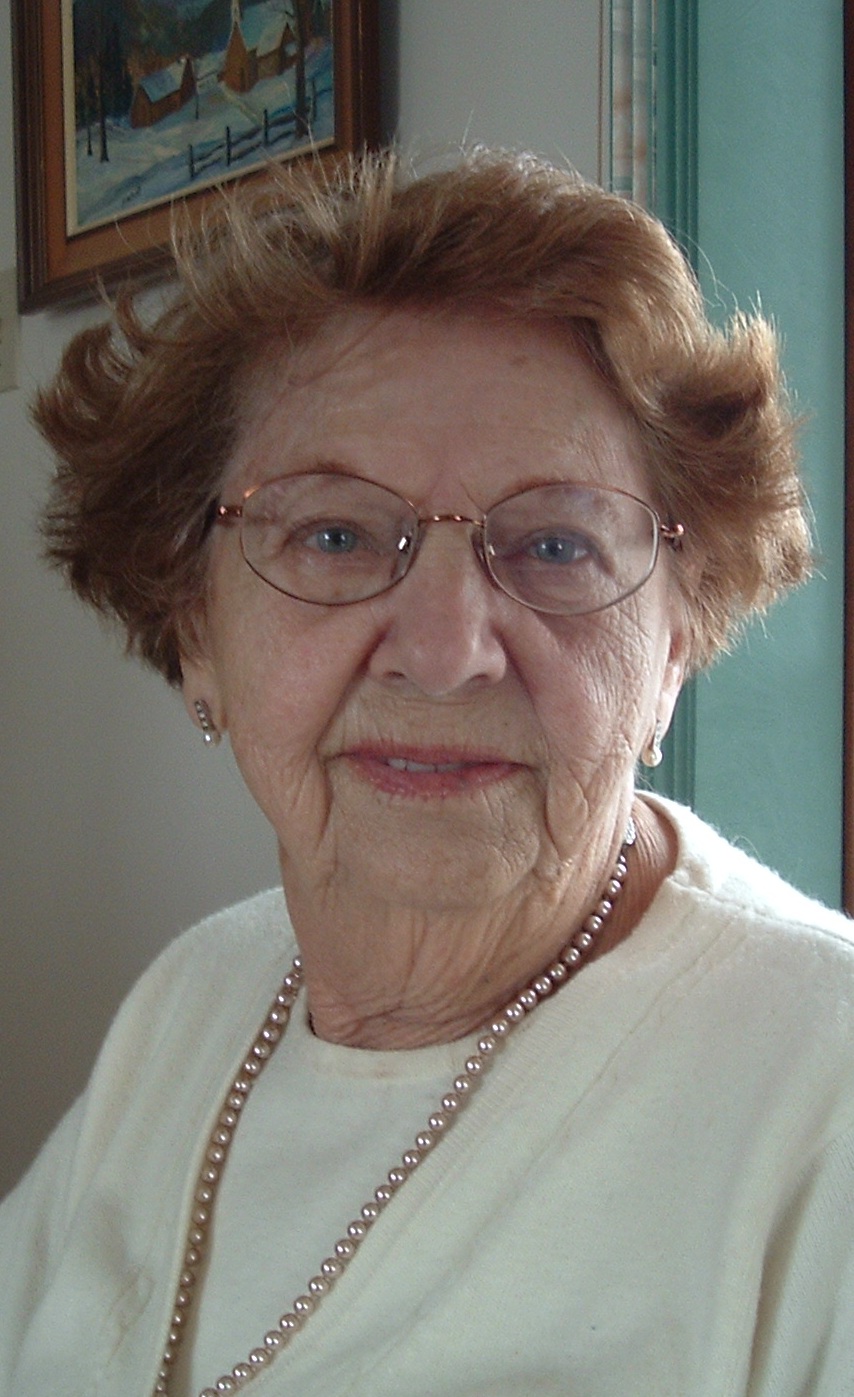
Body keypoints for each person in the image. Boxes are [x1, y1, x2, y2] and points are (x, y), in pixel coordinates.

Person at [1, 147, 851, 1397]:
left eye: (553, 544)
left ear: (675, 641)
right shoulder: (192, 998)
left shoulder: (822, 1099)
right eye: (334, 532)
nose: (446, 652)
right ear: (195, 631)